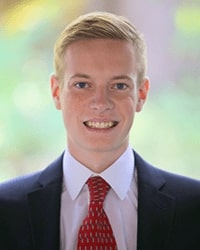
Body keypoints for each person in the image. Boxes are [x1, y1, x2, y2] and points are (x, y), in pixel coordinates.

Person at [0, 11, 200, 250]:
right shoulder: (6, 209)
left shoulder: (193, 207)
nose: (101, 102)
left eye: (119, 85)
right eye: (82, 85)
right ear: (56, 92)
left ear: (141, 94)